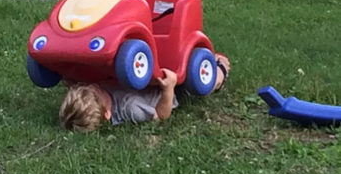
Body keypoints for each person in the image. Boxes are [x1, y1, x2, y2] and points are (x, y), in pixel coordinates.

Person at [59, 53, 230, 133]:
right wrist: (169, 88)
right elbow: (161, 115)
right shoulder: (131, 107)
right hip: (168, 89)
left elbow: (78, 85)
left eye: (87, 87)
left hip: (147, 72)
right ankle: (222, 70)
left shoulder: (92, 93)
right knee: (201, 84)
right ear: (108, 113)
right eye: (95, 90)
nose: (93, 85)